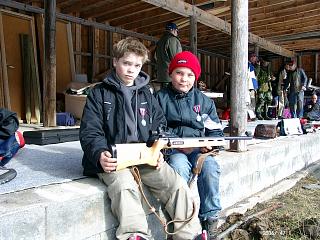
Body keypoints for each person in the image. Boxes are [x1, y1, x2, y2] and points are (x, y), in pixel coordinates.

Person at [79, 38, 206, 240]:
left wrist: (159, 151)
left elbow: (159, 125)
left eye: (137, 65)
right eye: (126, 63)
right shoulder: (99, 93)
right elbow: (90, 131)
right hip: (114, 158)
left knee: (175, 183)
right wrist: (99, 154)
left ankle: (188, 235)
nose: (131, 70)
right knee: (125, 186)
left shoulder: (147, 92)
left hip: (143, 155)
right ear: (115, 62)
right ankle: (135, 235)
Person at [156, 51, 223, 237]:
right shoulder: (159, 99)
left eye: (190, 74)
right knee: (178, 167)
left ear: (195, 77)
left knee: (210, 167)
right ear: (171, 74)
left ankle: (210, 219)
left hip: (197, 151)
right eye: (179, 73)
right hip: (172, 150)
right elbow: (155, 129)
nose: (184, 79)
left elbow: (216, 131)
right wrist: (175, 143)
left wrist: (211, 145)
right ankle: (180, 220)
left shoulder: (204, 101)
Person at [155, 22, 182, 88]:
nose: (177, 33)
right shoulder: (173, 40)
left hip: (161, 75)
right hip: (170, 75)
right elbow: (176, 58)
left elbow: (155, 57)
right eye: (177, 31)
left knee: (164, 95)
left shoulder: (160, 41)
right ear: (174, 30)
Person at [247, 52, 259, 119]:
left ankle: (252, 115)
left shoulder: (250, 65)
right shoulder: (248, 65)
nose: (255, 60)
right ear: (251, 58)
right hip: (248, 86)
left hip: (251, 86)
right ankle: (251, 116)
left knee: (252, 101)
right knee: (248, 101)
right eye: (254, 58)